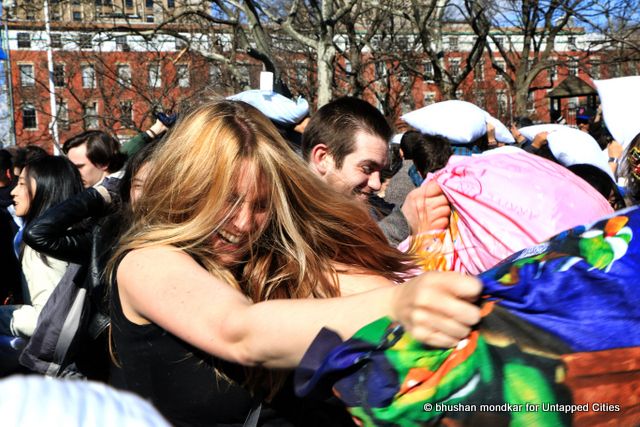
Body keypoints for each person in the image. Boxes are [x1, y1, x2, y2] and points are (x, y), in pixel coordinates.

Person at [108, 100, 481, 426]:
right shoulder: (145, 262)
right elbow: (239, 332)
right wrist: (400, 304)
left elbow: (361, 290)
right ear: (189, 188)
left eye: (261, 204)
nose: (243, 223)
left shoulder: (270, 256)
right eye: (228, 199)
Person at [0, 155, 83, 338]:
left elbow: (47, 320)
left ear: (46, 187)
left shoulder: (41, 246)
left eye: (22, 183)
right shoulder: (77, 232)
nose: (13, 191)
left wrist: (4, 316)